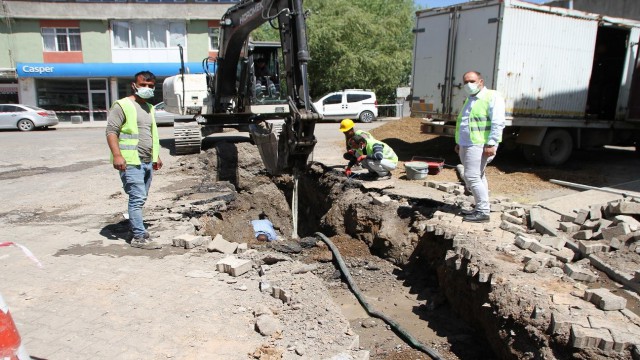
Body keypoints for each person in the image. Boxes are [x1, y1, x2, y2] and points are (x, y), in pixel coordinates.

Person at [106, 71, 163, 249]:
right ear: (134, 85)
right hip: (131, 161)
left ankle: (134, 229)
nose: (147, 88)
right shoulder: (122, 105)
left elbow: (149, 134)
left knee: (141, 197)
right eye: (143, 85)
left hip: (147, 161)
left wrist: (156, 156)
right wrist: (117, 155)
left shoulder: (149, 108)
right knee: (137, 198)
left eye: (150, 86)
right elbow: (111, 131)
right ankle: (139, 236)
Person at [454, 70, 505, 223]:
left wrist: (491, 143)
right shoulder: (470, 99)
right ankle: (481, 208)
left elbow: (497, 122)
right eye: (465, 82)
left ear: (480, 82)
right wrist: (459, 142)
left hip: (479, 144)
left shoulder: (491, 96)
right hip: (467, 143)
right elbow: (464, 123)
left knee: (471, 176)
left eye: (472, 81)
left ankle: (483, 211)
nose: (468, 84)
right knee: (479, 175)